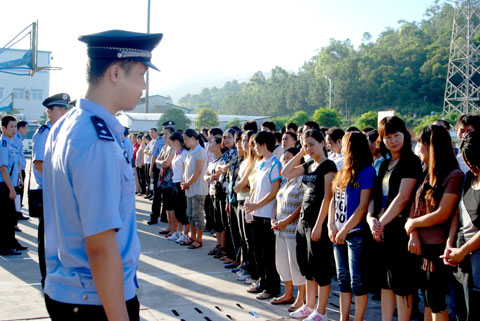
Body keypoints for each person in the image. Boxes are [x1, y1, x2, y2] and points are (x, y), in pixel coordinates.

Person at [42, 29, 163, 320]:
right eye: (141, 74)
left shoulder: (68, 123)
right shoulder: (97, 141)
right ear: (115, 72)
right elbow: (100, 247)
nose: (144, 86)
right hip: (93, 299)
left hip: (71, 291)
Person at [366, 116, 423, 321]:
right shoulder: (384, 164)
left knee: (402, 284)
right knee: (385, 283)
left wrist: (380, 223)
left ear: (405, 135)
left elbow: (403, 198)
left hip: (400, 228)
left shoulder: (411, 161)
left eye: (396, 135)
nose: (392, 140)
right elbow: (373, 196)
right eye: (387, 137)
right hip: (381, 230)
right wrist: (371, 219)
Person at [405, 125, 463, 321]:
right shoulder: (426, 174)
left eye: (420, 144)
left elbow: (443, 213)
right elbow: (414, 206)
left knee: (436, 300)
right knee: (428, 299)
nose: (417, 148)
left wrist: (413, 224)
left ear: (431, 146)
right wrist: (413, 231)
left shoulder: (453, 175)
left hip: (437, 245)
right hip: (420, 245)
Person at [282, 129, 337, 321]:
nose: (309, 148)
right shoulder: (309, 164)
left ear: (323, 143)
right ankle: (309, 305)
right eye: (306, 145)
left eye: (312, 144)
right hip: (303, 221)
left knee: (320, 268)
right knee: (307, 266)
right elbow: (286, 172)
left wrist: (320, 224)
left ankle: (321, 311)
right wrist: (300, 153)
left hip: (317, 222)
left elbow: (328, 197)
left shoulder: (328, 166)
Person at [328, 131, 375, 321]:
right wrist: (331, 225)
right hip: (337, 232)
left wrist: (345, 229)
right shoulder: (342, 170)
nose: (342, 147)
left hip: (355, 232)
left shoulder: (367, 171)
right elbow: (333, 199)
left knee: (358, 280)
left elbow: (363, 206)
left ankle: (358, 318)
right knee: (343, 279)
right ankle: (343, 317)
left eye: (345, 144)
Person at [32, 93, 70, 287]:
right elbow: (39, 163)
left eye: (66, 109)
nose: (64, 112)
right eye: (60, 109)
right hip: (48, 192)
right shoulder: (44, 134)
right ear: (49, 111)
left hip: (59, 193)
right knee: (47, 238)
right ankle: (47, 277)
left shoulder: (60, 132)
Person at [443, 130, 480, 321]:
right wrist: (450, 244)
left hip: (474, 255)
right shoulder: (468, 179)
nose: (469, 166)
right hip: (461, 253)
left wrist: (464, 250)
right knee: (460, 310)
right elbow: (457, 214)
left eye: (473, 161)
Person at [244, 131, 282, 300]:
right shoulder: (261, 163)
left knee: (268, 254)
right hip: (257, 214)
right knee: (258, 252)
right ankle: (262, 281)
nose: (254, 149)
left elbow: (274, 192)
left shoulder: (275, 164)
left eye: (256, 145)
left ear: (264, 145)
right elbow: (255, 188)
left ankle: (272, 287)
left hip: (267, 215)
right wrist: (251, 207)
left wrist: (256, 205)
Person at [271, 147, 306, 310]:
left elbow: (301, 206)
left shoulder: (303, 180)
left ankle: (301, 298)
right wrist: (273, 219)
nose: (285, 161)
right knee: (283, 263)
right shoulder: (285, 180)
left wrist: (286, 220)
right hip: (280, 228)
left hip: (292, 229)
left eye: (288, 158)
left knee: (295, 264)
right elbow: (277, 200)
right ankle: (288, 293)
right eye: (284, 159)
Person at [0, 115, 26, 255]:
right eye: (11, 127)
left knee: (11, 217)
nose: (14, 129)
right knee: (6, 218)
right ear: (3, 128)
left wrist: (20, 178)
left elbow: (15, 164)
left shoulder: (10, 143)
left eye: (15, 126)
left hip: (10, 184)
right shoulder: (3, 144)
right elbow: (3, 168)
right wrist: (11, 189)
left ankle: (12, 242)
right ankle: (5, 246)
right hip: (4, 186)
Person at [182, 129, 208, 249]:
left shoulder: (200, 151)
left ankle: (199, 239)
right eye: (184, 139)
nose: (185, 142)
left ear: (193, 138)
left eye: (186, 139)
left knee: (197, 215)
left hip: (198, 188)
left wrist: (188, 183)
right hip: (189, 188)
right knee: (190, 214)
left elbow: (198, 171)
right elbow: (186, 169)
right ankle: (192, 236)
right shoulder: (190, 151)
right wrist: (184, 181)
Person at [169, 132, 190, 245]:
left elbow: (185, 170)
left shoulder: (185, 154)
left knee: (182, 209)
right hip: (174, 182)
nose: (171, 144)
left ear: (177, 141)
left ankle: (186, 234)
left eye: (172, 141)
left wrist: (183, 182)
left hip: (181, 184)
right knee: (177, 209)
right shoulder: (177, 153)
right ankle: (178, 232)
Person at [13, 120, 28, 220]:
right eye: (26, 128)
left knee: (19, 193)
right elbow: (17, 157)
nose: (26, 131)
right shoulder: (16, 139)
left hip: (20, 168)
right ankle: (17, 214)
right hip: (19, 170)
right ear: (21, 128)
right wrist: (19, 175)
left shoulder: (18, 138)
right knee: (19, 193)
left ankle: (17, 212)